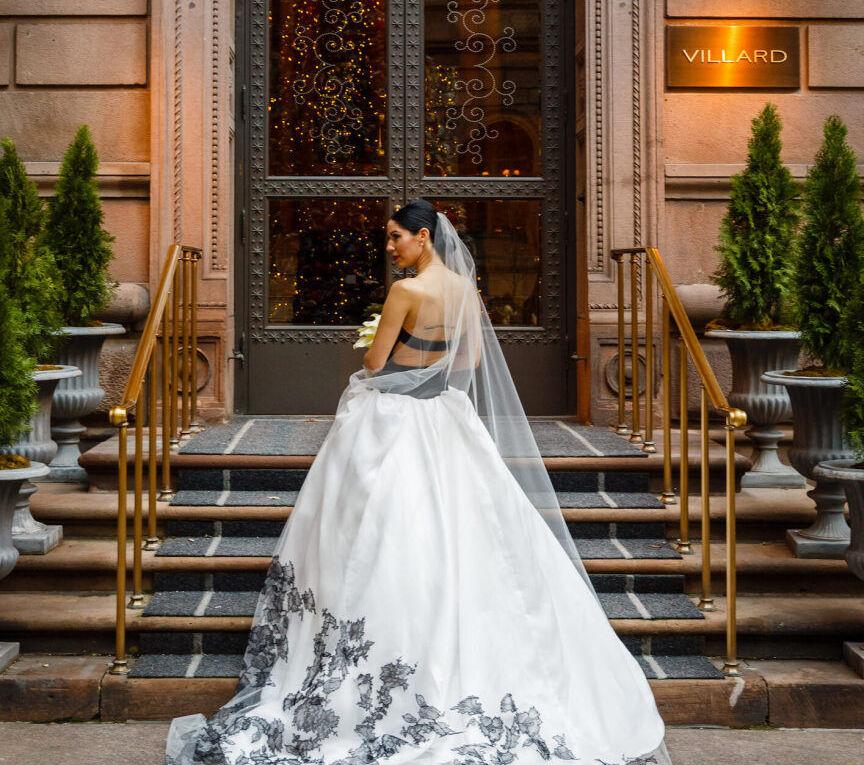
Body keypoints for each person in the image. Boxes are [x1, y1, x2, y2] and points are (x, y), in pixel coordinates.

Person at [164, 201, 670, 765]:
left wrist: (379, 354)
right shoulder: (466, 292)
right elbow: (470, 360)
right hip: (447, 418)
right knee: (468, 532)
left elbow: (378, 363)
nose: (389, 246)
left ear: (423, 237)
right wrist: (428, 365)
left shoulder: (405, 293)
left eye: (395, 237)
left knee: (379, 529)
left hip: (396, 422)